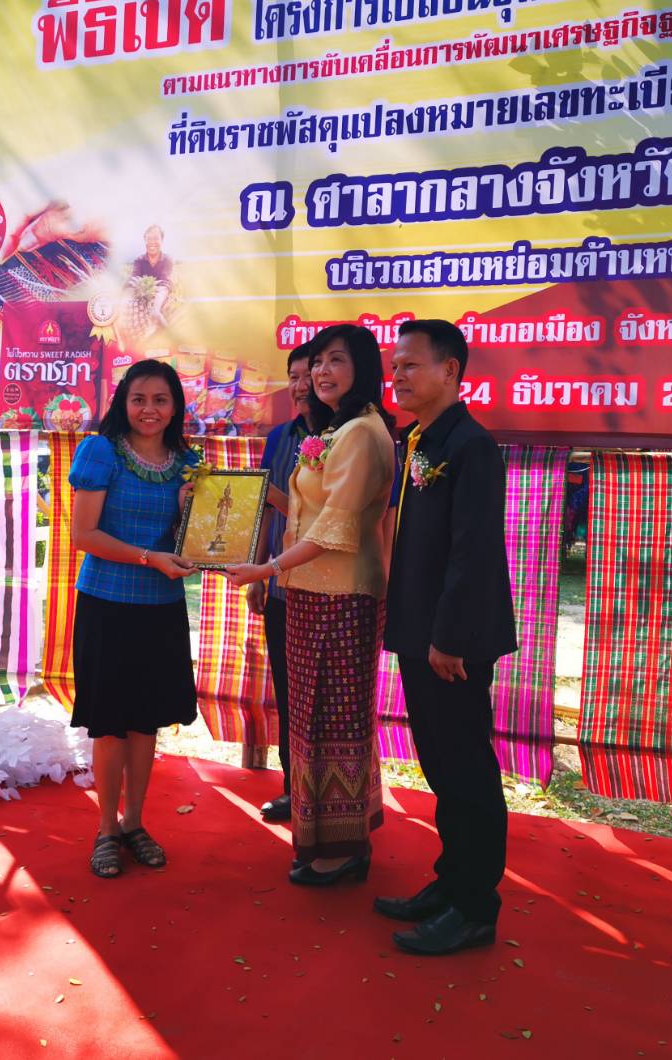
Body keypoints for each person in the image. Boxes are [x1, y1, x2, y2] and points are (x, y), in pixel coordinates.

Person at [225, 325, 396, 884]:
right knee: (312, 718)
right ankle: (326, 833)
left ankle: (344, 850)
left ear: (362, 368)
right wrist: (239, 490)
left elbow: (335, 530)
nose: (321, 372)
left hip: (342, 596)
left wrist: (266, 569)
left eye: (335, 361)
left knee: (334, 720)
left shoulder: (362, 433)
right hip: (311, 592)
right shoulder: (336, 429)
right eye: (317, 362)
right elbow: (306, 512)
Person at [374, 318, 518, 955]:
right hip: (420, 630)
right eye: (395, 367)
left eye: (410, 365)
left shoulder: (470, 445)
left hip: (452, 641)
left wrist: (450, 638)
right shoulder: (420, 440)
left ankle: (476, 907)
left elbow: (473, 550)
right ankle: (451, 881)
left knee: (466, 769)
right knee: (438, 762)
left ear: (450, 371)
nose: (398, 376)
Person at [68, 359, 200, 879]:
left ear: (175, 407)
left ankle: (134, 823)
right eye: (139, 399)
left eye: (160, 400)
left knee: (146, 723)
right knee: (110, 726)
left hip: (161, 609)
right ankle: (105, 829)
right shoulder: (101, 451)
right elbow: (84, 535)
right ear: (124, 402)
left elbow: (193, 540)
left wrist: (192, 515)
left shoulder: (188, 462)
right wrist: (150, 558)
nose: (149, 409)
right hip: (106, 606)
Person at [245, 342, 316, 824]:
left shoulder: (347, 436)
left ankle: (329, 799)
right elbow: (265, 510)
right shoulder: (280, 437)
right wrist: (257, 572)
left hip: (329, 589)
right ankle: (295, 789)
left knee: (324, 702)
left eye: (310, 374)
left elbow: (330, 522)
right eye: (293, 376)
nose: (302, 385)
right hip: (278, 586)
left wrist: (269, 493)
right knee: (289, 693)